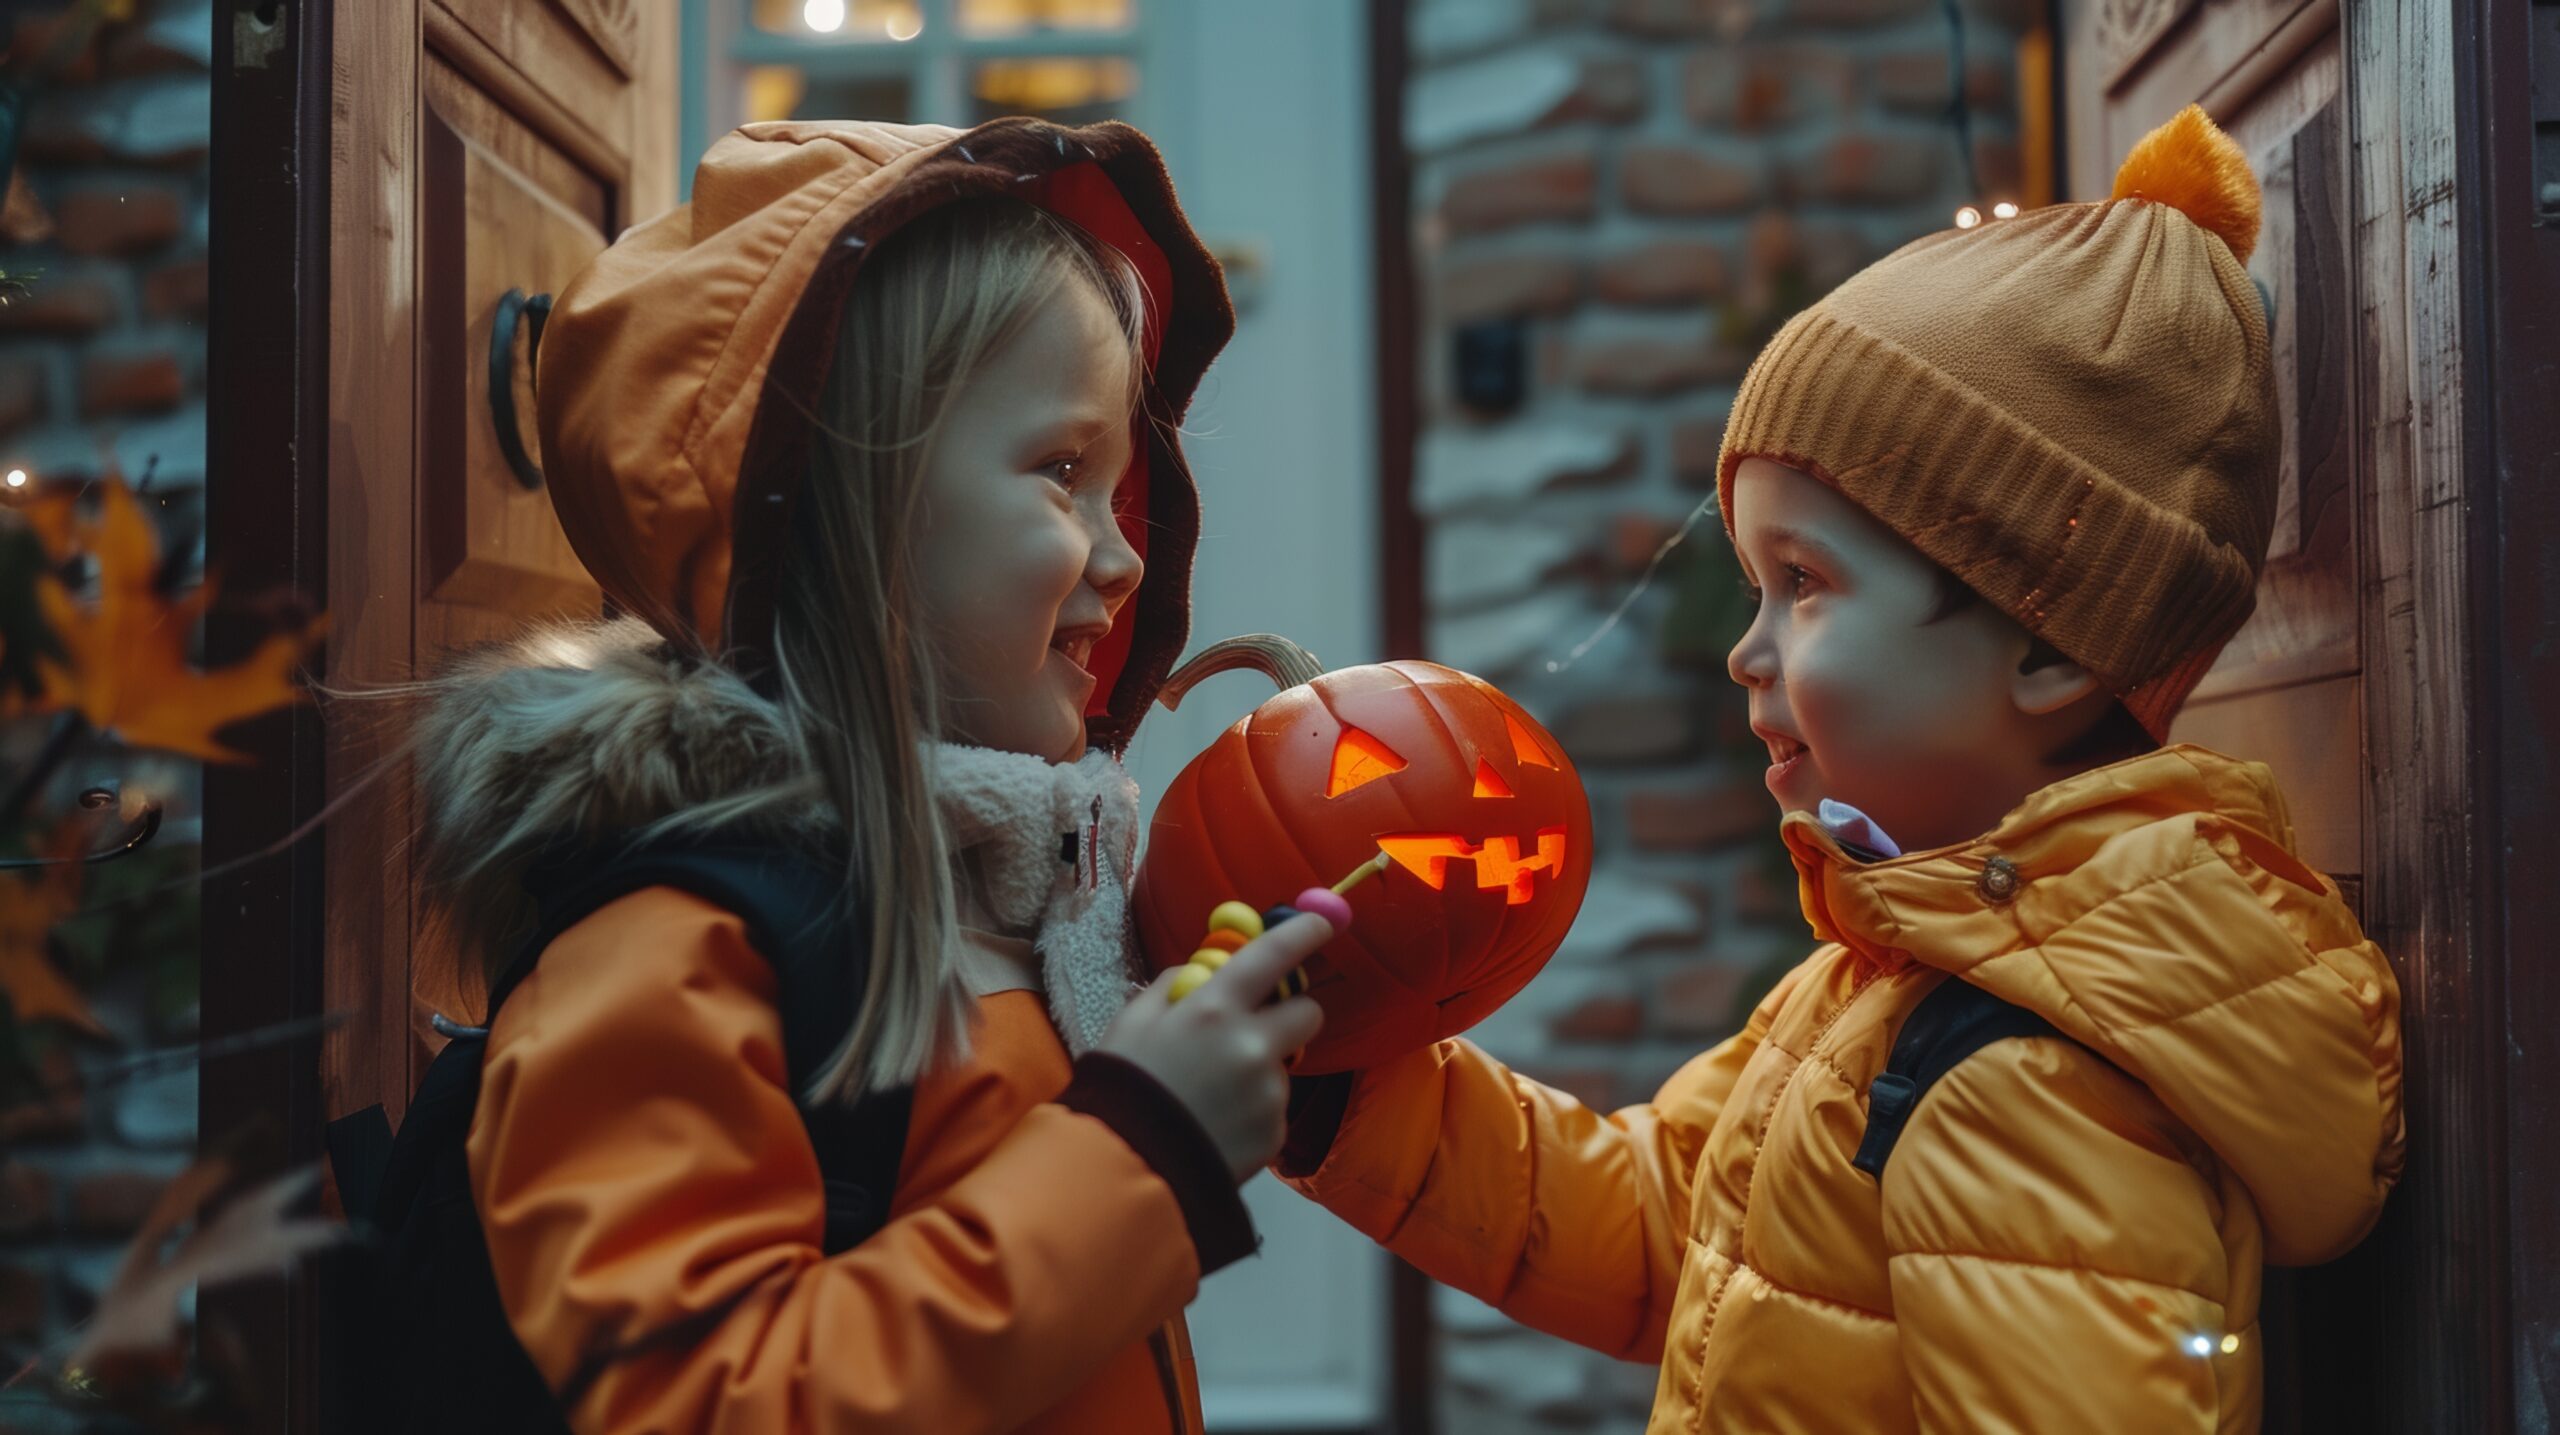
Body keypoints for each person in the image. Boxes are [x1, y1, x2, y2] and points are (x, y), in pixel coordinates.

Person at [1275, 105, 2405, 1432]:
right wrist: (1340, 1086)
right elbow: (1669, 1226)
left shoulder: (2029, 1083)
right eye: (1756, 587)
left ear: (2045, 642)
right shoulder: (1905, 968)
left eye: (1803, 586)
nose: (1749, 654)